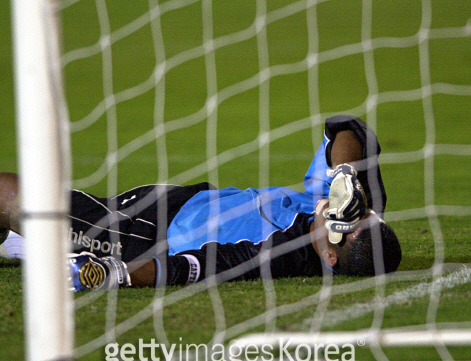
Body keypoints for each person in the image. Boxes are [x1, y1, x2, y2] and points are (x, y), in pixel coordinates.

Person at [0, 115, 401, 291]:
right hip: (180, 200)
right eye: (358, 211)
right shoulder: (341, 198)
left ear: (330, 256)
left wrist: (115, 274)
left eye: (344, 224)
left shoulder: (282, 257)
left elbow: (187, 270)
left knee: (13, 198)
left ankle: (27, 245)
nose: (342, 211)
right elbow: (350, 127)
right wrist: (345, 176)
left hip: (143, 237)